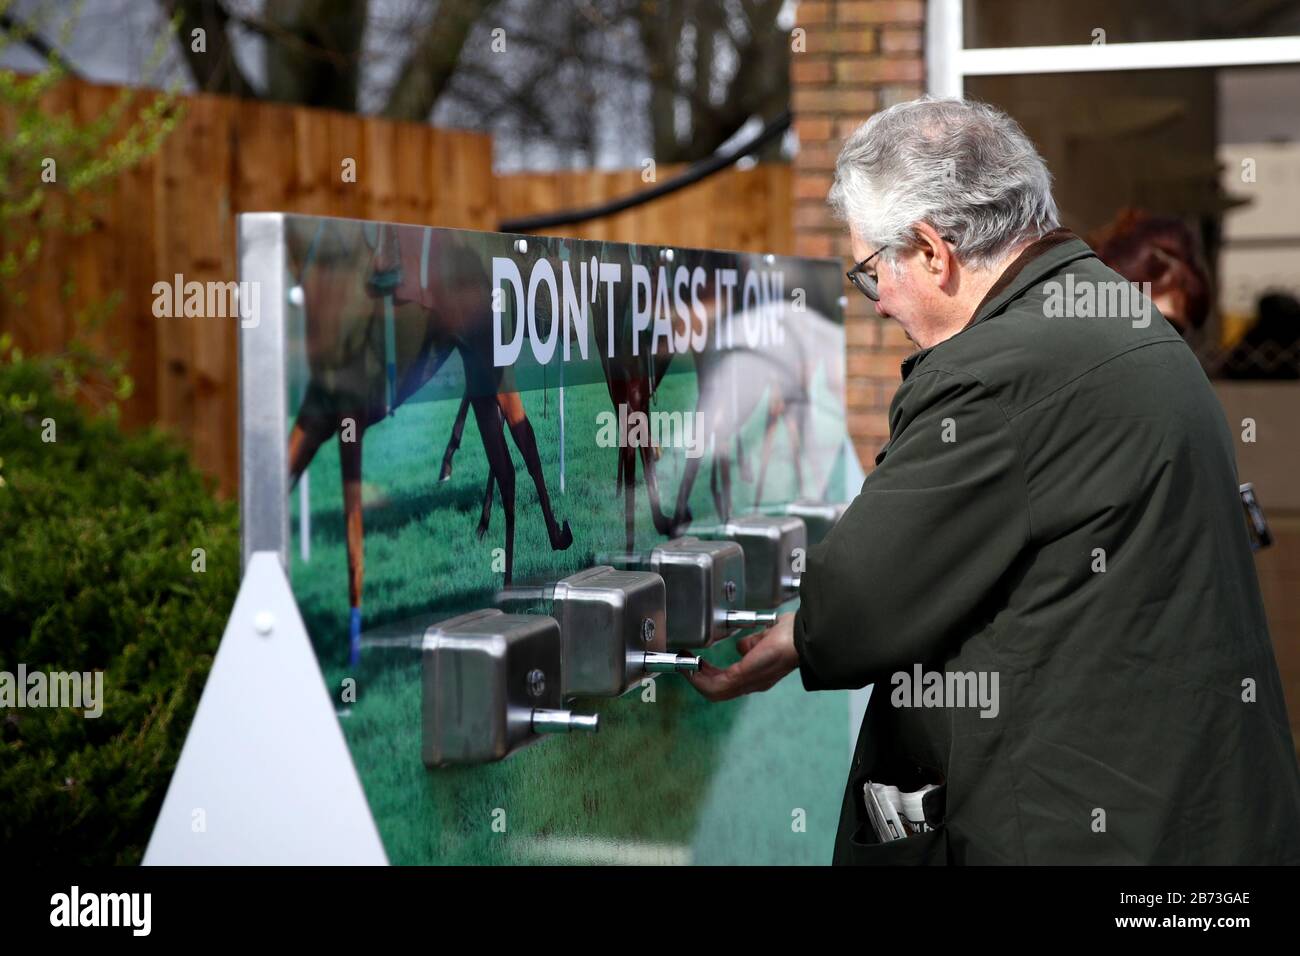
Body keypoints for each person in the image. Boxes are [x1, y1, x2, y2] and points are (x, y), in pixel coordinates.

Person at [687, 96, 1300, 865]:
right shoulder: (1124, 317)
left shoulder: (991, 375)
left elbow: (855, 600)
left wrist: (799, 635)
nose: (878, 306)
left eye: (873, 272)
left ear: (933, 251)